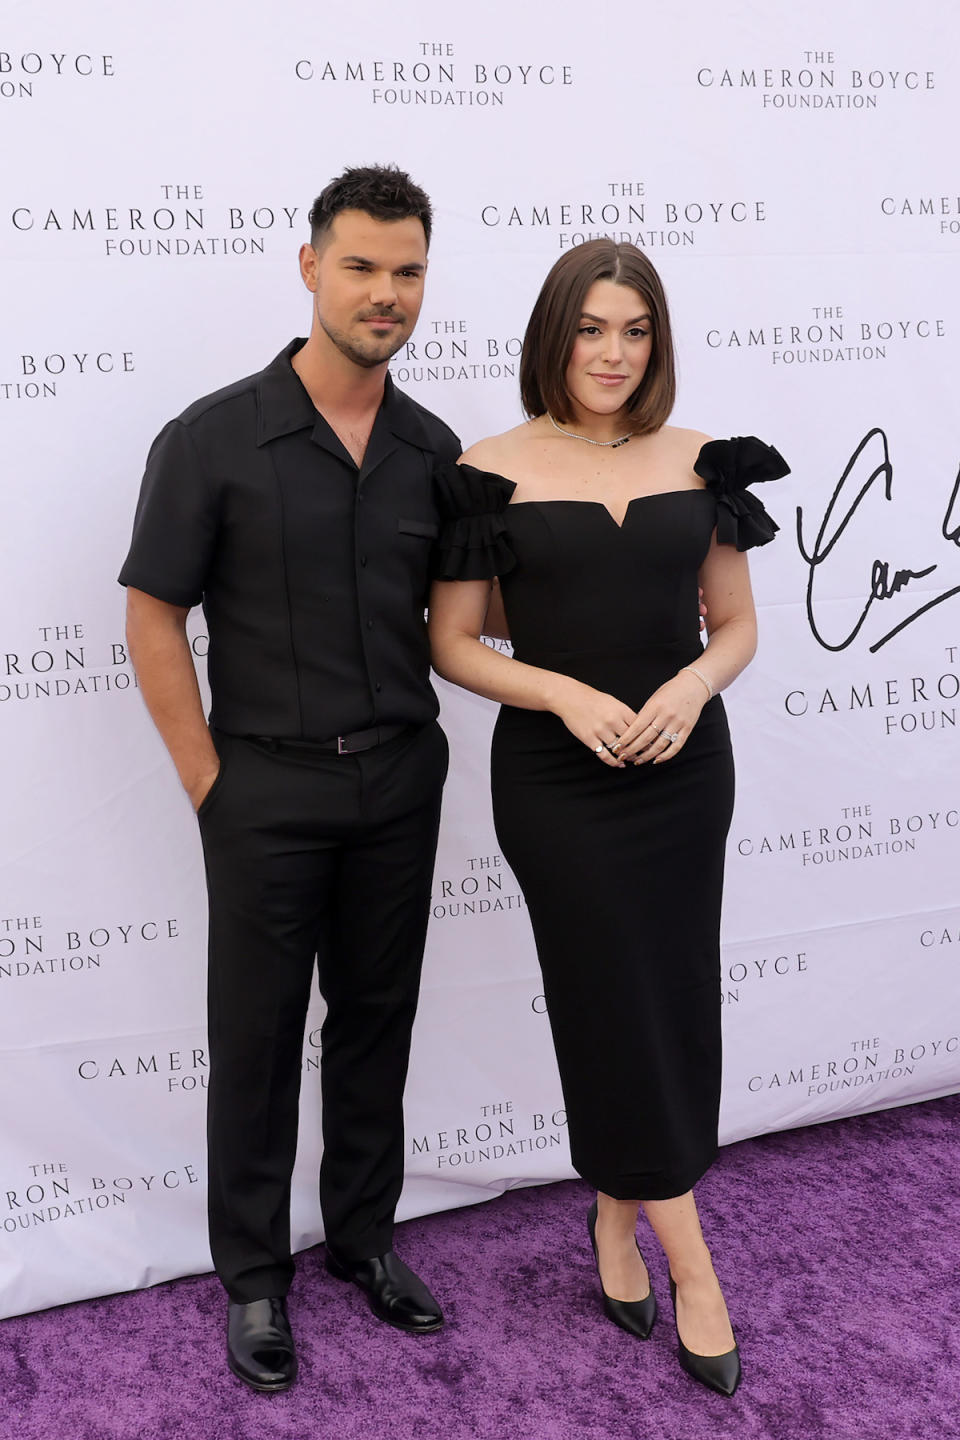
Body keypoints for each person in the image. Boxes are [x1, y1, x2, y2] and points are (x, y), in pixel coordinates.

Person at [119, 165, 461, 1394]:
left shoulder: (434, 450)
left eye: (407, 271)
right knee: (255, 1042)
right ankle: (256, 1277)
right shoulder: (211, 436)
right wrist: (212, 782)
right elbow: (153, 613)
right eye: (362, 265)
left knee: (377, 1024)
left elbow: (463, 627)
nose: (385, 292)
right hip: (261, 790)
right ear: (310, 265)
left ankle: (365, 1240)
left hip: (400, 784)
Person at [427, 239, 789, 1398]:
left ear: (657, 340)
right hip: (559, 779)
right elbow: (451, 642)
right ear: (555, 335)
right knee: (605, 999)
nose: (614, 353)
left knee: (672, 995)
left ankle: (614, 1221)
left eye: (634, 330)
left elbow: (732, 626)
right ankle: (693, 1263)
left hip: (685, 772)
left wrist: (685, 690)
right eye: (592, 329)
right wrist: (566, 691)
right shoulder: (487, 469)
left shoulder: (704, 462)